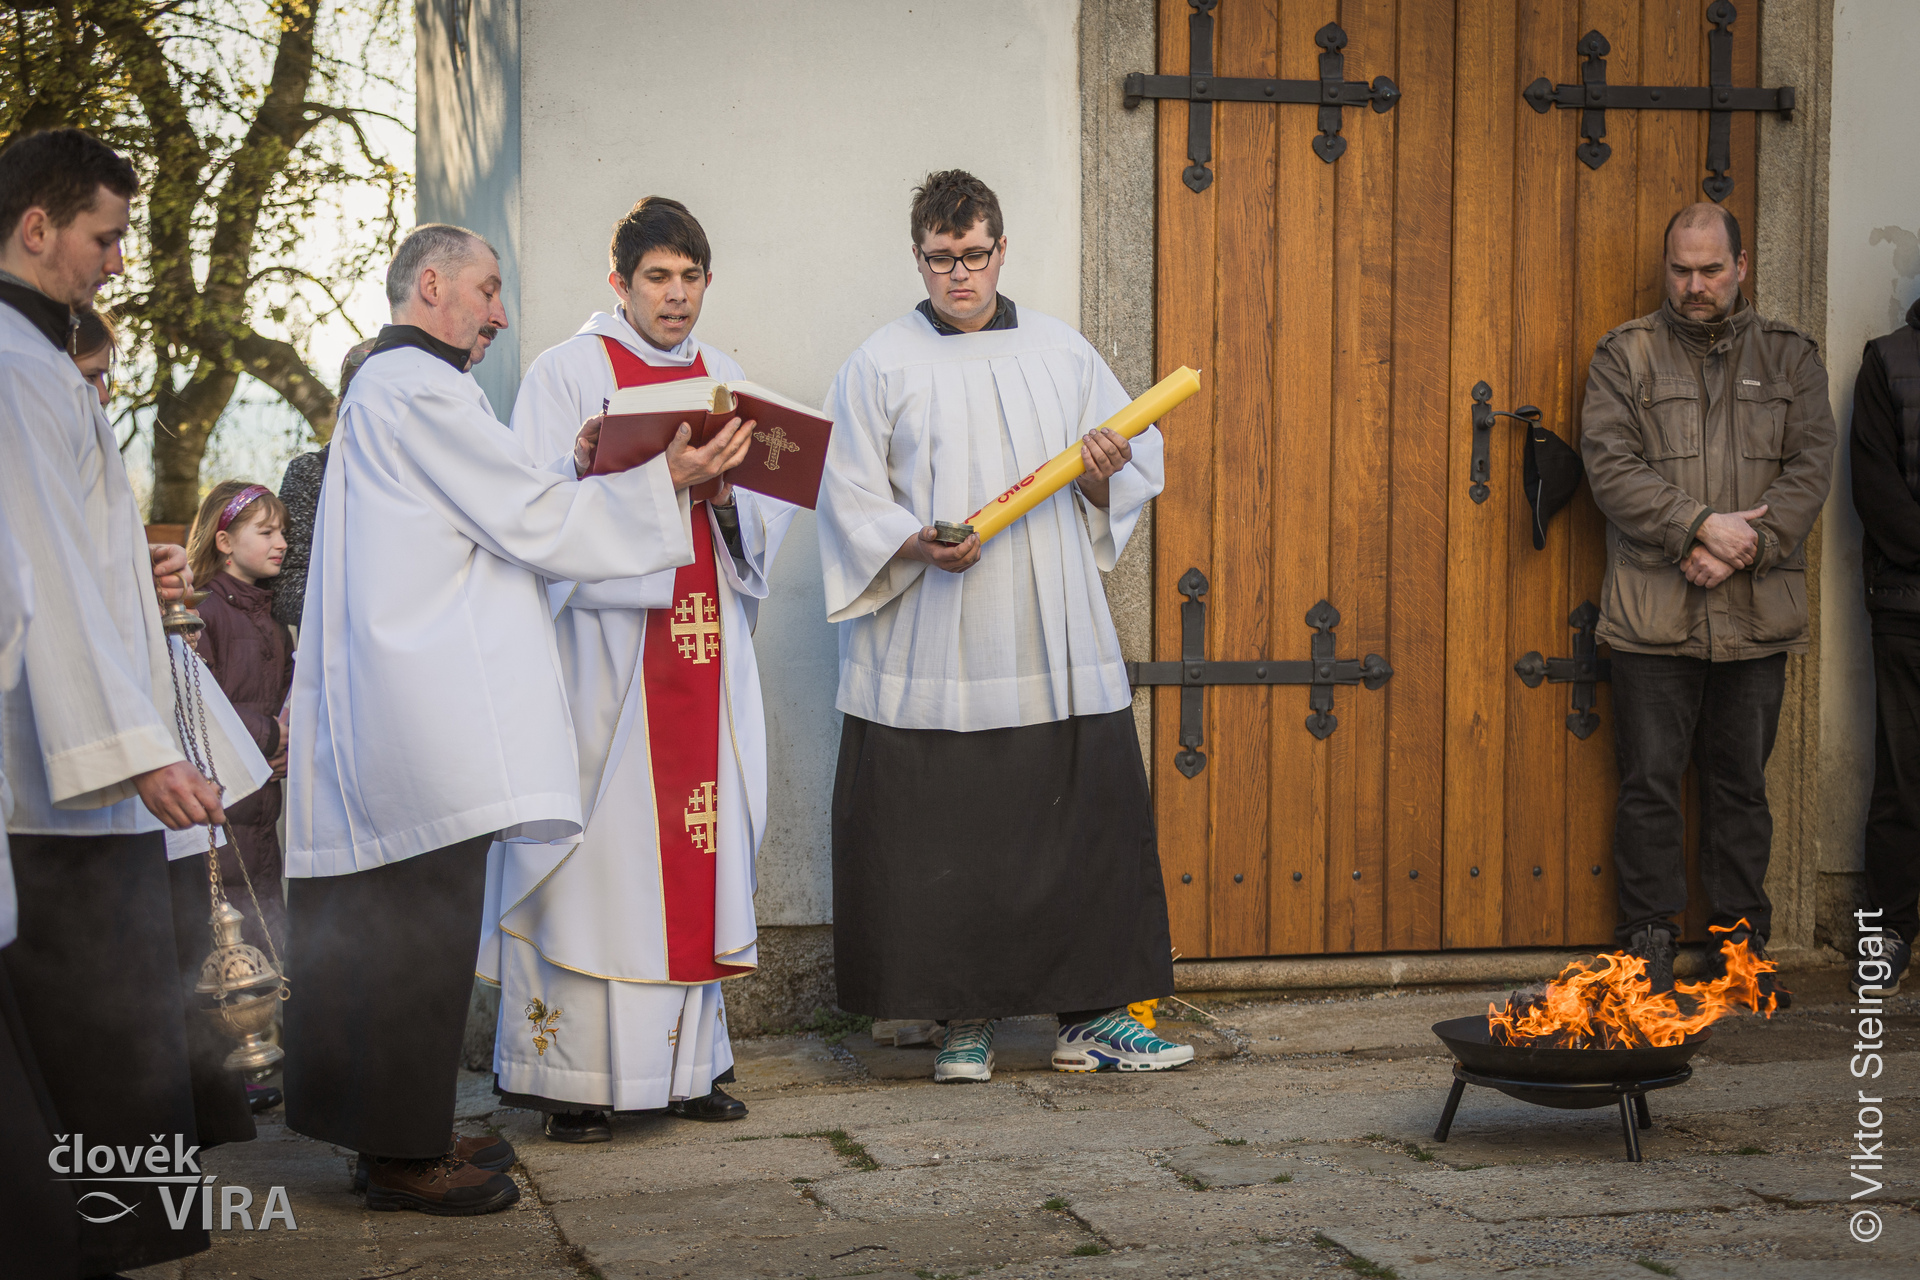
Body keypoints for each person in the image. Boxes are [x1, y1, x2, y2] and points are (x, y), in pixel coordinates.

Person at [282, 222, 752, 1215]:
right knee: (415, 929)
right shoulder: (420, 389)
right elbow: (529, 518)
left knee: (409, 924)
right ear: (433, 286)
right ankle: (403, 1156)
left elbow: (514, 506)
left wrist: (600, 480)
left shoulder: (402, 386)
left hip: (412, 700)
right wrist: (661, 482)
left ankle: (397, 1132)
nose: (500, 311)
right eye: (488, 289)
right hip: (424, 708)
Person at [816, 169, 1191, 1083]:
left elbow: (1131, 463)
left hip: (1051, 626)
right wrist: (913, 541)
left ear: (1001, 250)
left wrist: (1103, 472)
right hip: (935, 633)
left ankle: (1094, 1020)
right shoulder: (879, 364)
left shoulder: (1062, 353)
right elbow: (845, 492)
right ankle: (963, 1022)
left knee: (1082, 820)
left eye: (974, 255)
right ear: (918, 258)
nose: (960, 274)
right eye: (941, 258)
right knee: (949, 832)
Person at [0, 127, 265, 1276]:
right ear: (37, 227)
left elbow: (76, 554)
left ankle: (115, 1228)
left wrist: (136, 572)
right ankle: (98, 1233)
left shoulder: (38, 358)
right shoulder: (15, 368)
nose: (118, 260)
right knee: (95, 1025)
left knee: (115, 1022)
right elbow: (43, 577)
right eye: (105, 237)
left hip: (83, 761)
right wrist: (140, 748)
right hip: (56, 775)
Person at [480, 197, 795, 1141]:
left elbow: (759, 524)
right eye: (658, 278)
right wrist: (604, 473)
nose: (677, 296)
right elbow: (528, 514)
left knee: (699, 850)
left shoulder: (726, 377)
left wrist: (730, 498)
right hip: (605, 660)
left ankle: (689, 1068)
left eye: (691, 278)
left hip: (702, 648)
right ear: (618, 283)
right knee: (598, 866)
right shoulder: (564, 373)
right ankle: (573, 1082)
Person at [1580, 202, 1836, 998]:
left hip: (1756, 616)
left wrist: (1743, 545)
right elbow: (1610, 466)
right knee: (1649, 786)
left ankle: (1741, 956)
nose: (1695, 286)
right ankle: (1647, 952)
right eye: (1681, 270)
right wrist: (1697, 526)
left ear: (1741, 266)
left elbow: (1811, 466)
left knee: (1742, 790)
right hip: (1653, 615)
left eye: (1711, 270)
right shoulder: (1625, 354)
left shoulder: (1791, 356)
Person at [184, 482, 293, 961]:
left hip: (263, 811)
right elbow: (195, 704)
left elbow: (286, 698)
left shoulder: (273, 619)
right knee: (225, 956)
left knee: (268, 949)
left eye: (283, 532)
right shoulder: (200, 612)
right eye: (266, 532)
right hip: (219, 813)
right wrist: (269, 736)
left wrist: (289, 745)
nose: (282, 543)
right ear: (224, 541)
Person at [1847, 295, 1920, 996]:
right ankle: (1889, 931)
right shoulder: (1888, 360)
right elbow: (1877, 490)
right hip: (1909, 610)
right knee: (1903, 778)